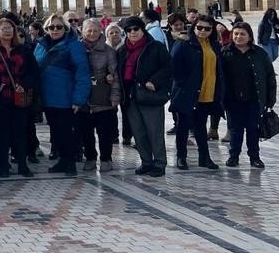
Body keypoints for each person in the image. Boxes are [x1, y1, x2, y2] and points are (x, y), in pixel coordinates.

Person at [34, 13, 91, 175]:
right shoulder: (41, 45)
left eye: (59, 27)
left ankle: (70, 163)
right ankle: (63, 161)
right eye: (51, 27)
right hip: (47, 97)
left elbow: (82, 73)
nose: (55, 30)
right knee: (56, 132)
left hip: (66, 98)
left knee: (67, 133)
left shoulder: (74, 45)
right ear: (46, 29)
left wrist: (79, 99)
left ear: (65, 28)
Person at [117, 16, 173, 176]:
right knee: (138, 132)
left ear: (142, 30)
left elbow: (168, 67)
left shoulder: (155, 47)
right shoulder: (122, 50)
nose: (133, 32)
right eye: (129, 30)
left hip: (150, 95)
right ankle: (146, 161)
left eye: (136, 29)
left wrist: (154, 81)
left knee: (154, 131)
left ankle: (159, 163)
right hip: (130, 96)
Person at [170, 14, 224, 170]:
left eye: (207, 28)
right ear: (194, 27)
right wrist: (184, 85)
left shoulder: (213, 45)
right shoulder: (184, 44)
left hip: (207, 93)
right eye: (199, 27)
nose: (203, 31)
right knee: (183, 127)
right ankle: (181, 157)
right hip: (188, 93)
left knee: (200, 127)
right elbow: (174, 67)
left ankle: (204, 158)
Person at [0, 18, 38, 177]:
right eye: (4, 29)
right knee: (2, 134)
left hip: (19, 98)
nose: (8, 31)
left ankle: (22, 165)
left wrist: (24, 83)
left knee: (20, 133)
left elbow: (34, 72)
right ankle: (4, 165)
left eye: (10, 28)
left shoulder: (24, 50)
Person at [221, 22, 274, 169]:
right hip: (233, 99)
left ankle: (254, 157)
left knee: (252, 129)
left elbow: (270, 77)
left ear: (249, 36)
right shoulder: (225, 52)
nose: (238, 37)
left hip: (254, 99)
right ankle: (234, 156)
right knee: (235, 129)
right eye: (236, 34)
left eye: (242, 34)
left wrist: (270, 99)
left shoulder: (260, 54)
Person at [77, 20, 121, 172]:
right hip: (83, 98)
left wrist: (115, 96)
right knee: (86, 133)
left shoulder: (108, 51)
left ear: (101, 32)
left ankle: (106, 159)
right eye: (88, 31)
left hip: (103, 97)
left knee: (105, 133)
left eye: (95, 31)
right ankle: (90, 157)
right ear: (82, 32)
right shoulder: (77, 49)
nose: (92, 34)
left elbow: (114, 75)